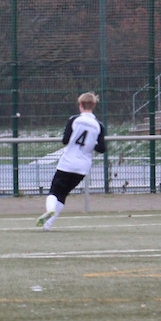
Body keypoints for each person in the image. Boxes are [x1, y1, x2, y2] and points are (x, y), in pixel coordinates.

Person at [37, 92, 106, 230]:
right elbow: (102, 148)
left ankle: (50, 209)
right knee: (63, 194)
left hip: (67, 163)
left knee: (54, 192)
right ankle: (48, 224)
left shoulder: (74, 120)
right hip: (82, 167)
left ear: (80, 105)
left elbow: (65, 140)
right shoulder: (99, 125)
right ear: (93, 106)